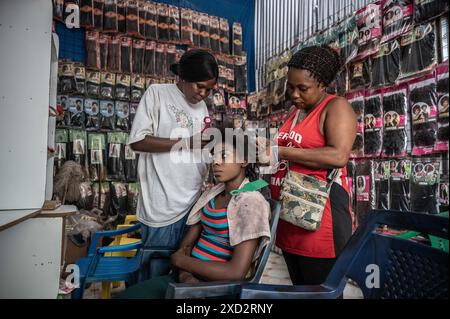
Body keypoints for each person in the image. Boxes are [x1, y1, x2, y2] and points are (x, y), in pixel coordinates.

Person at [116, 129, 271, 299]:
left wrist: (181, 262)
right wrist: (185, 275)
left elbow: (235, 272)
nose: (216, 162)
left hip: (215, 289)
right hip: (185, 279)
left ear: (244, 160)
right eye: (214, 156)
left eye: (224, 156)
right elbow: (186, 246)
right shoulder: (212, 195)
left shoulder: (251, 203)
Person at [261, 45, 356, 286]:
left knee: (321, 290)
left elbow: (338, 155)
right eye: (290, 87)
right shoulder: (296, 112)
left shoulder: (336, 108)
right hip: (292, 217)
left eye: (302, 88)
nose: (294, 94)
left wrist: (278, 151)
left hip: (320, 221)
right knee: (300, 290)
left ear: (323, 85)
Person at [128, 49, 219, 279]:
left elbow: (200, 148)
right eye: (200, 86)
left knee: (181, 271)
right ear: (182, 76)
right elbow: (138, 141)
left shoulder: (202, 106)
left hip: (193, 202)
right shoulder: (157, 94)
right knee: (154, 271)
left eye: (209, 89)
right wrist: (187, 142)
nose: (203, 94)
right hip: (162, 202)